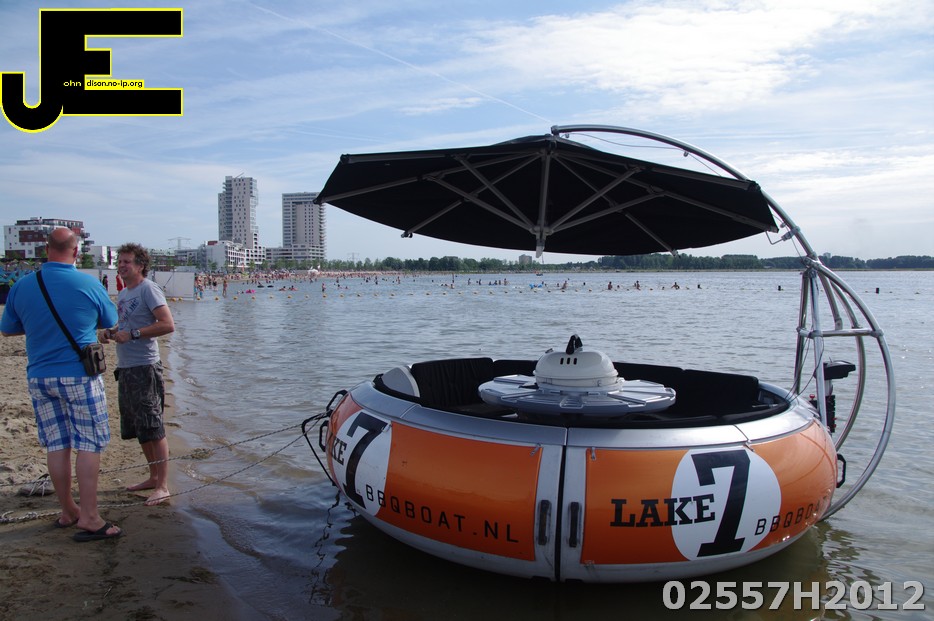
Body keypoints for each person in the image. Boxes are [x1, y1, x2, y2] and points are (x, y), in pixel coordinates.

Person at [1, 228, 122, 541]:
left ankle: (68, 510)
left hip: (40, 375)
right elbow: (109, 320)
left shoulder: (23, 285)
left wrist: (38, 326)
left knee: (57, 444)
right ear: (76, 251)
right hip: (79, 374)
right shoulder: (87, 283)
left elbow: (8, 328)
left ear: (46, 249)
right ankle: (90, 517)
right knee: (89, 443)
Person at [102, 243, 175, 506]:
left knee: (153, 426)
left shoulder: (148, 289)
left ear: (140, 265)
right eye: (119, 262)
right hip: (126, 367)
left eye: (127, 262)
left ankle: (163, 486)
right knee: (139, 427)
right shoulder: (124, 293)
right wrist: (111, 332)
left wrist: (132, 334)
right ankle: (153, 477)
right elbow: (127, 324)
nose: (121, 266)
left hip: (145, 367)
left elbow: (167, 324)